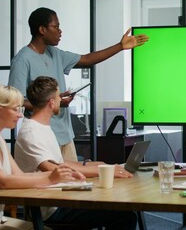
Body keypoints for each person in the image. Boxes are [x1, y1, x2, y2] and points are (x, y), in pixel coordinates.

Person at [8, 7, 149, 162]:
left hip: (66, 134)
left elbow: (87, 59)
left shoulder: (54, 53)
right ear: (42, 29)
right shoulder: (22, 60)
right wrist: (53, 103)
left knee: (72, 181)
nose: (60, 31)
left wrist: (120, 46)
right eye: (56, 27)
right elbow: (15, 101)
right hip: (43, 135)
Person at [0, 84, 84, 230]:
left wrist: (60, 175)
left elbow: (20, 175)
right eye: (16, 109)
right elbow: (2, 181)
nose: (20, 115)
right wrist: (50, 178)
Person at [14, 76, 137, 230]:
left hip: (61, 197)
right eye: (58, 96)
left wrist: (97, 165)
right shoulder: (31, 132)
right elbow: (55, 170)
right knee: (124, 217)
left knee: (121, 208)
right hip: (50, 208)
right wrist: (104, 171)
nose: (61, 100)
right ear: (51, 102)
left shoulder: (42, 127)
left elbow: (60, 162)